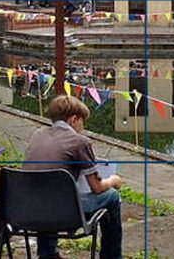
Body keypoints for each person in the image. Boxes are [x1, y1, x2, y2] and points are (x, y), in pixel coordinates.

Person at [23, 95, 123, 259]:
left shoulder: (37, 135)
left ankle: (48, 253)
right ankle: (111, 256)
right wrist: (113, 180)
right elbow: (97, 188)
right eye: (82, 121)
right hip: (65, 213)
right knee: (112, 196)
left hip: (27, 210)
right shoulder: (79, 141)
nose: (82, 127)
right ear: (73, 119)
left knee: (46, 192)